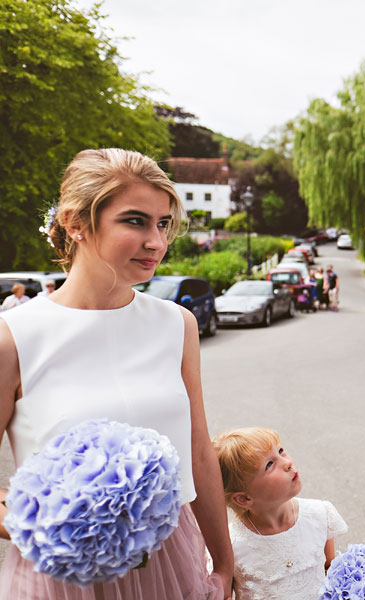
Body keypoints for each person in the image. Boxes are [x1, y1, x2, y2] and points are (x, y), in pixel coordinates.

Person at [0, 148, 233, 598]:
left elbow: (199, 451)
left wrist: (224, 564)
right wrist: (54, 525)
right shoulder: (14, 338)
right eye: (135, 221)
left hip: (174, 563)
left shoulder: (176, 325)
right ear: (76, 223)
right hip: (64, 579)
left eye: (163, 223)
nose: (157, 242)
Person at [212, 427, 347, 600]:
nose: (287, 463)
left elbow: (329, 568)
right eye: (270, 464)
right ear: (244, 499)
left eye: (281, 451)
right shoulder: (230, 545)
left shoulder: (319, 515)